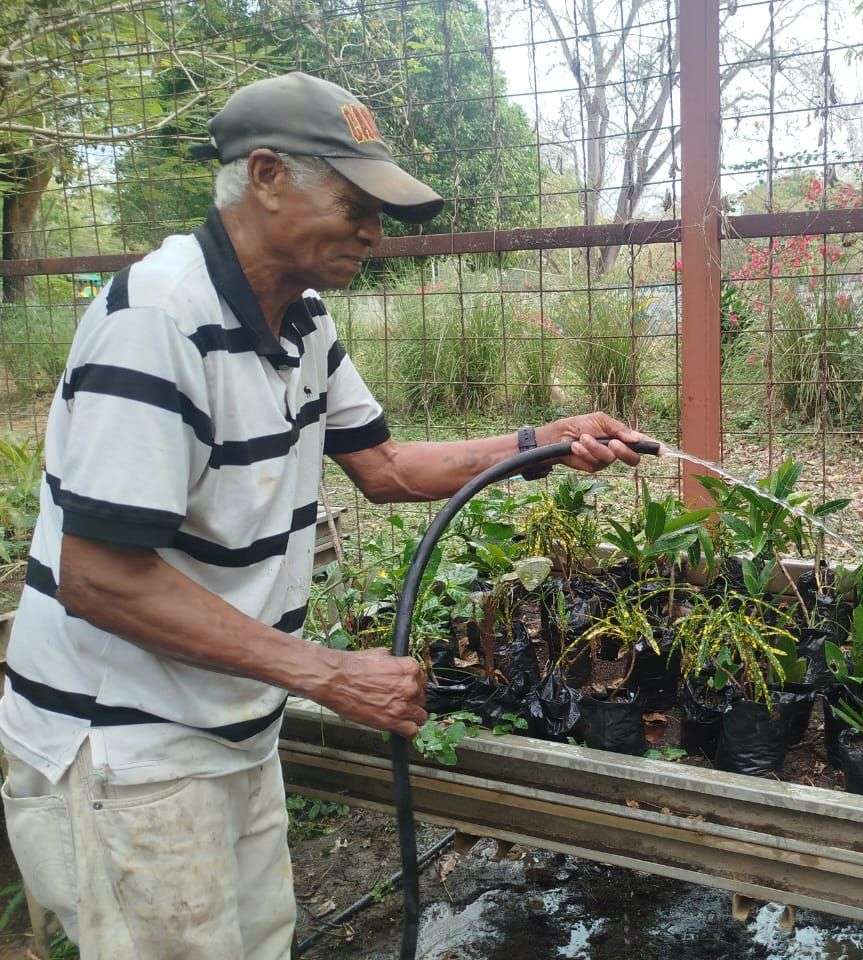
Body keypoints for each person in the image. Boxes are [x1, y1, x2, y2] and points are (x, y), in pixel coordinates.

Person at [0, 71, 645, 960]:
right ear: (265, 175)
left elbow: (381, 467)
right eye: (354, 206)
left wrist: (540, 443)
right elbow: (100, 576)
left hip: (228, 719)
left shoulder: (300, 318)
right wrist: (329, 675)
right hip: (127, 746)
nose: (374, 235)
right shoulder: (156, 324)